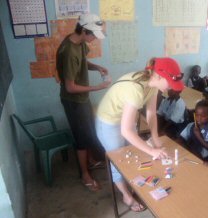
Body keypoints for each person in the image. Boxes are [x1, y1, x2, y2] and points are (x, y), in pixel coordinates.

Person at [96, 57, 184, 212]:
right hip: (108, 122)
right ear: (158, 76)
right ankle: (126, 196)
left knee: (134, 152)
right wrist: (151, 150)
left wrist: (156, 140)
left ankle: (132, 184)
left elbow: (151, 114)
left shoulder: (152, 84)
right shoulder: (135, 89)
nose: (171, 87)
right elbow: (126, 130)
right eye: (170, 82)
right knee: (118, 159)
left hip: (124, 120)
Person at [56, 13, 111, 191]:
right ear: (85, 31)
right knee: (81, 138)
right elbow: (70, 87)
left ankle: (91, 161)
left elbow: (82, 63)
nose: (94, 39)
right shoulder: (68, 51)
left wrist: (97, 67)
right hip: (73, 101)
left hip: (82, 99)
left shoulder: (78, 42)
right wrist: (98, 87)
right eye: (93, 35)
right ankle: (84, 175)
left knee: (88, 131)